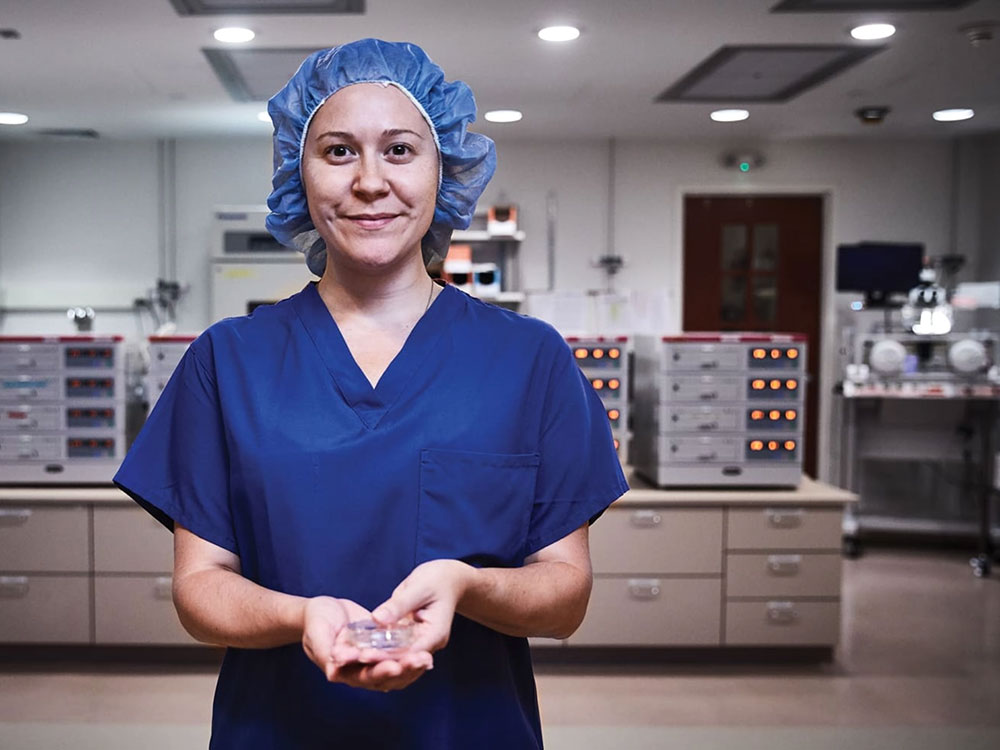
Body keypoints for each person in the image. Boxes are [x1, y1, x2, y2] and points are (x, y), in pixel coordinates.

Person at [114, 38, 628, 749]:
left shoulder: (529, 360)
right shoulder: (227, 362)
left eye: (398, 150)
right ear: (301, 173)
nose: (368, 181)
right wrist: (303, 618)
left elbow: (564, 595)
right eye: (337, 151)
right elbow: (200, 590)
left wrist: (467, 586)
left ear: (441, 167)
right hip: (277, 730)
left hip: (470, 730)